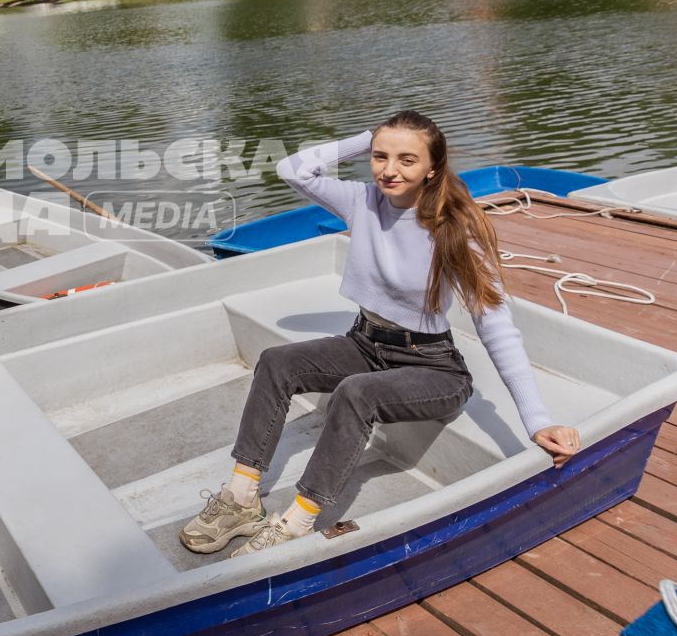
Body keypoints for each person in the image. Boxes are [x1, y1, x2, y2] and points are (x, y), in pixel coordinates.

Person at [180, 110, 582, 558]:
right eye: (379, 156)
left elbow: (496, 325)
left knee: (356, 393)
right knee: (278, 361)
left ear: (433, 168)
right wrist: (371, 134)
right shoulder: (362, 201)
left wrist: (537, 420)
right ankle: (241, 497)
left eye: (407, 160)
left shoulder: (454, 230)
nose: (390, 170)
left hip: (432, 366)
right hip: (365, 343)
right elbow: (292, 169)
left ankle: (298, 520)